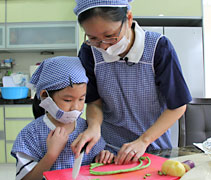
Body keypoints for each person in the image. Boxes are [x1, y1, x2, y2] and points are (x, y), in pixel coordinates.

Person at [70, 0, 192, 165]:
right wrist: (93, 127)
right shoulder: (89, 52)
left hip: (153, 147)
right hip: (108, 153)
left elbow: (177, 106)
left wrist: (143, 140)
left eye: (109, 36)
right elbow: (94, 102)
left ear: (128, 18)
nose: (104, 47)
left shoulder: (158, 48)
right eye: (93, 38)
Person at [11, 56, 114, 180]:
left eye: (81, 99)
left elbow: (97, 161)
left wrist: (104, 157)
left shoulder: (87, 129)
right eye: (68, 100)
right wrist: (51, 155)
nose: (75, 107)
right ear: (45, 95)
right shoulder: (31, 135)